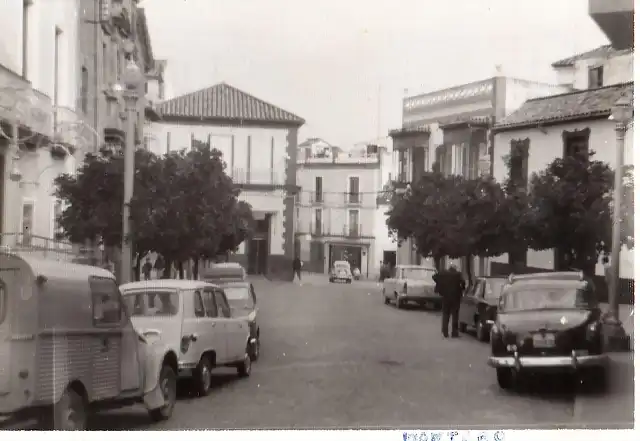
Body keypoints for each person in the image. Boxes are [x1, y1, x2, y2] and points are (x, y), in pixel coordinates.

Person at [433, 264, 466, 338]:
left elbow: (434, 277)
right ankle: (454, 333)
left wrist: (440, 284)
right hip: (455, 297)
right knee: (455, 315)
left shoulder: (444, 273)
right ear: (455, 268)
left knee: (445, 314)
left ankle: (445, 332)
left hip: (446, 296)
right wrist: (462, 288)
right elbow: (463, 282)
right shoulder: (458, 274)